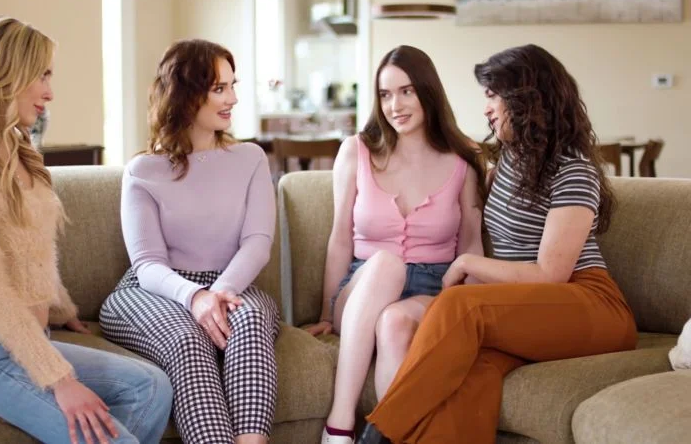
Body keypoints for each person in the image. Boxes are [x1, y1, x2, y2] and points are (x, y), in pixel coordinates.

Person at [0, 17, 173, 444]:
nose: (50, 93)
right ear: (6, 75)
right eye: (42, 75)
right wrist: (60, 380)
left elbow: (31, 249)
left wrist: (62, 308)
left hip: (29, 335)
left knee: (152, 386)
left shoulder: (15, 150)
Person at [358, 44, 638, 444]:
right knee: (471, 377)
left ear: (526, 100)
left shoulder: (572, 169)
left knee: (459, 305)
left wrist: (465, 264)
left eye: (493, 96)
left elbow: (551, 274)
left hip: (592, 305)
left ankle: (379, 434)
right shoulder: (508, 160)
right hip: (530, 308)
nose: (486, 108)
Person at [99, 39, 279, 444]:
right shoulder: (143, 170)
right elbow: (148, 264)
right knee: (187, 339)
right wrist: (196, 297)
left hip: (232, 285)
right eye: (219, 88)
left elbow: (257, 242)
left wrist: (219, 292)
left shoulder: (250, 159)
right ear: (185, 93)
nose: (233, 98)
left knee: (250, 322)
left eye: (232, 86)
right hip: (154, 291)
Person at [303, 45, 486, 444]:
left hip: (431, 290)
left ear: (427, 91)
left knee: (393, 324)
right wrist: (328, 312)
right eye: (385, 95)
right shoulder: (357, 150)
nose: (394, 106)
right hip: (362, 287)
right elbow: (339, 238)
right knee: (386, 263)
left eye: (406, 92)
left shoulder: (463, 158)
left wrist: (469, 315)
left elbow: (471, 245)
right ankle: (339, 425)